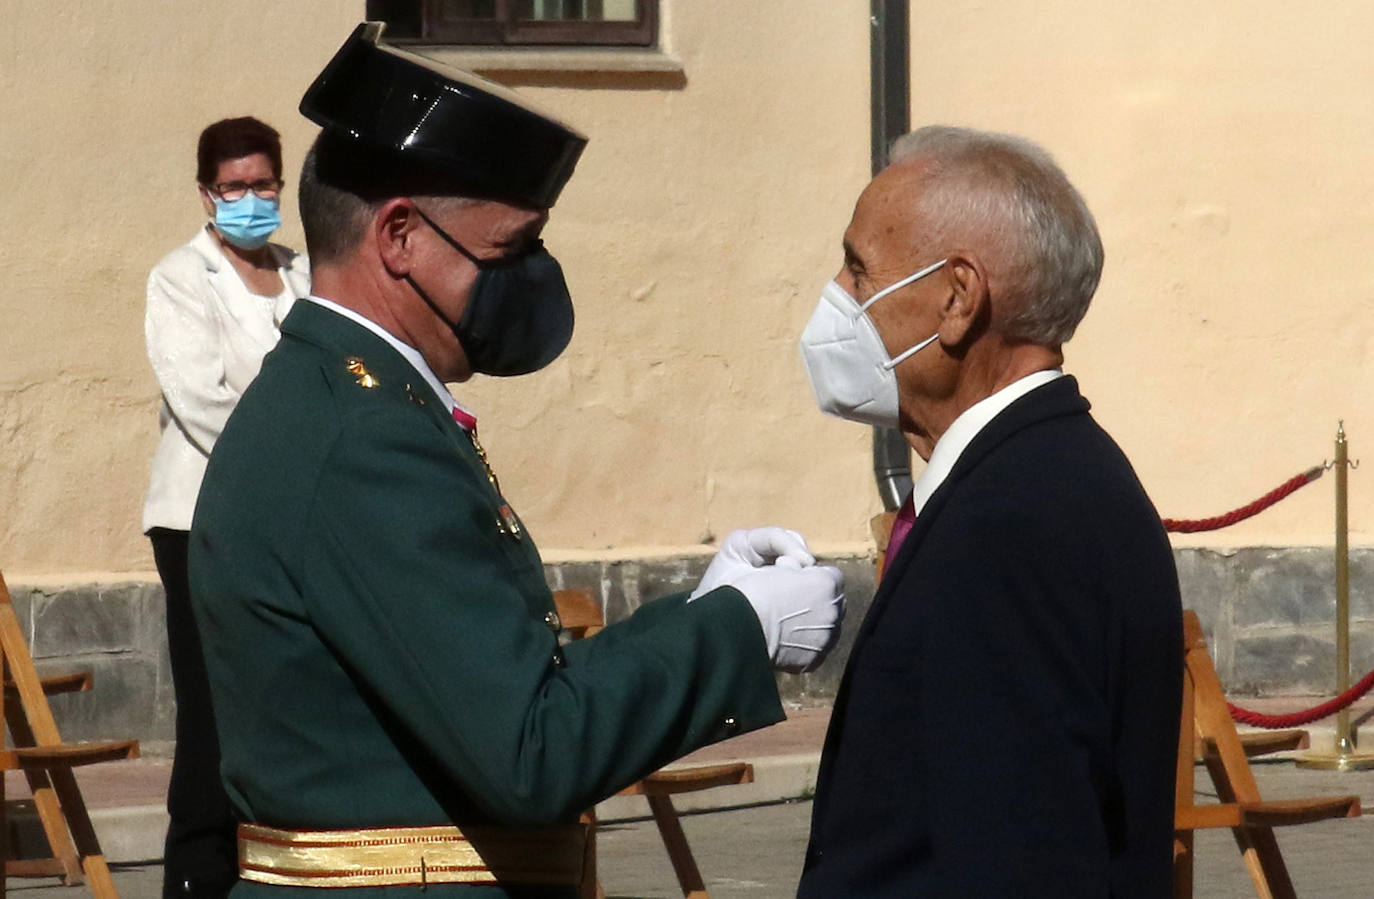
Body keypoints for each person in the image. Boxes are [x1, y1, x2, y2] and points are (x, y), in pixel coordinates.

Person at [187, 23, 844, 896]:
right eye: (508, 251)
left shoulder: (355, 399)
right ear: (399, 238)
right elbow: (531, 750)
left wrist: (701, 607)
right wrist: (742, 628)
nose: (527, 277)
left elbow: (500, 677)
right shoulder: (364, 436)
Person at [796, 126, 1183, 896]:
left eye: (859, 267)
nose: (839, 294)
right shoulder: (1048, 474)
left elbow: (1021, 851)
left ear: (957, 297)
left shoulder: (1011, 521)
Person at [143, 115, 309, 898]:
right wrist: (297, 451)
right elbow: (202, 398)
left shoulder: (307, 276)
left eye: (263, 184)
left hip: (298, 522)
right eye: (234, 187)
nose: (250, 198)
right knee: (213, 714)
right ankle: (198, 876)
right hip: (204, 521)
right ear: (208, 193)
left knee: (282, 707)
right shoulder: (181, 276)